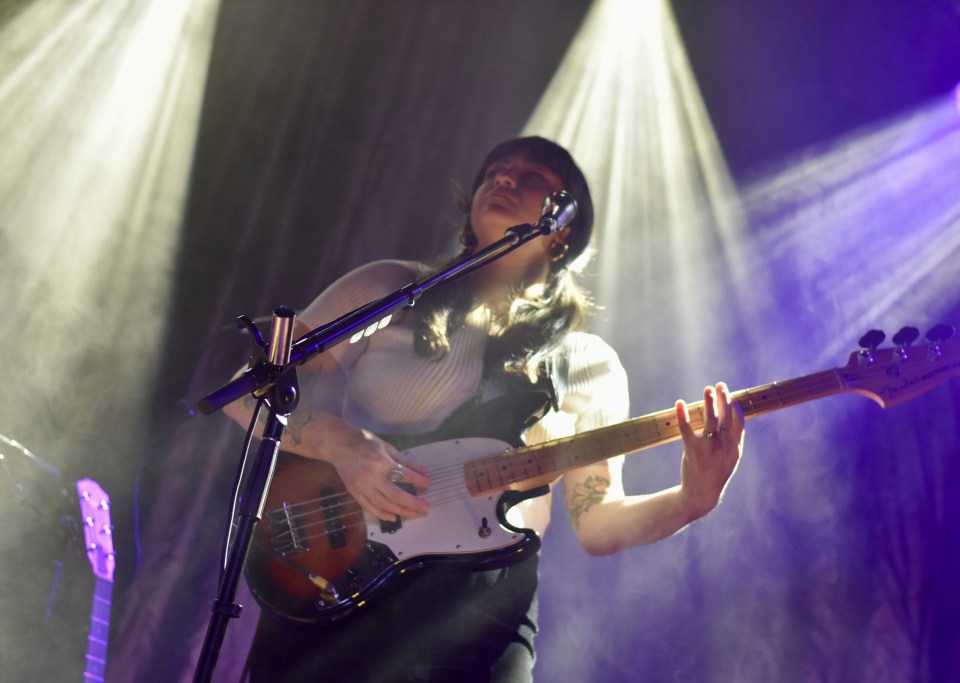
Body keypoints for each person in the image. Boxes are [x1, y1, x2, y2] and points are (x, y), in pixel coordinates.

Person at [224, 136, 744, 682]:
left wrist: (694, 497)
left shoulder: (588, 363)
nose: (504, 179)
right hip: (341, 568)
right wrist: (339, 443)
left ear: (563, 226)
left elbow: (598, 525)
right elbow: (245, 390)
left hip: (482, 613)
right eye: (495, 171)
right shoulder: (393, 289)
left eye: (531, 176)